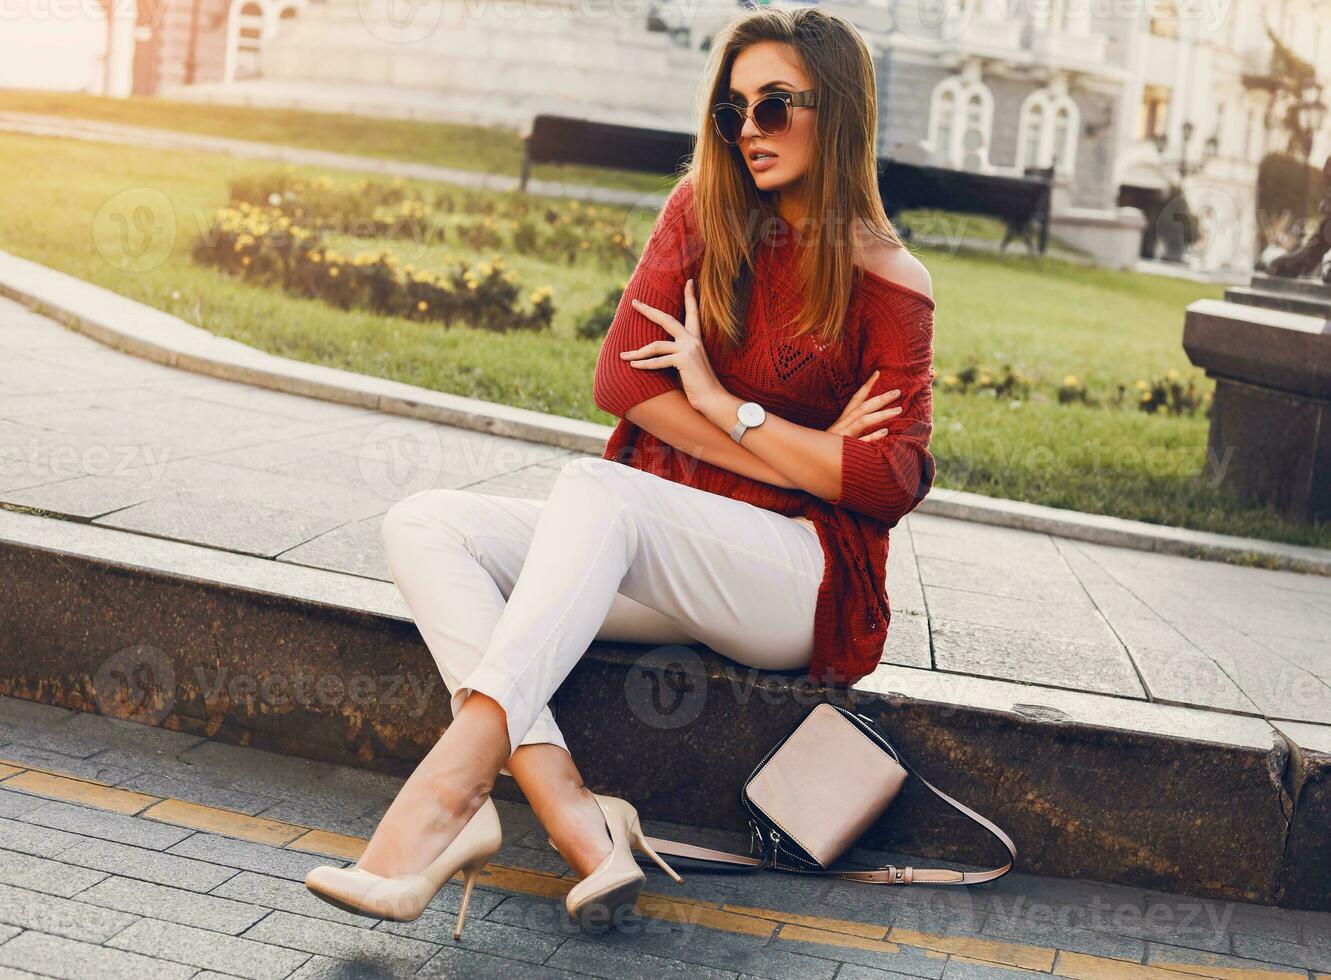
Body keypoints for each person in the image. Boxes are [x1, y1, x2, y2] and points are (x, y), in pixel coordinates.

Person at [304, 4, 936, 937]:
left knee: (600, 492)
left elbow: (887, 484)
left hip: (798, 580)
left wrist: (722, 407)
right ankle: (570, 807)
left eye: (773, 107)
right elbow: (623, 385)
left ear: (837, 109)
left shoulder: (890, 279)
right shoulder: (702, 211)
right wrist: (807, 455)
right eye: (732, 112)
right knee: (427, 524)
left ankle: (444, 793)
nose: (747, 132)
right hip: (662, 538)